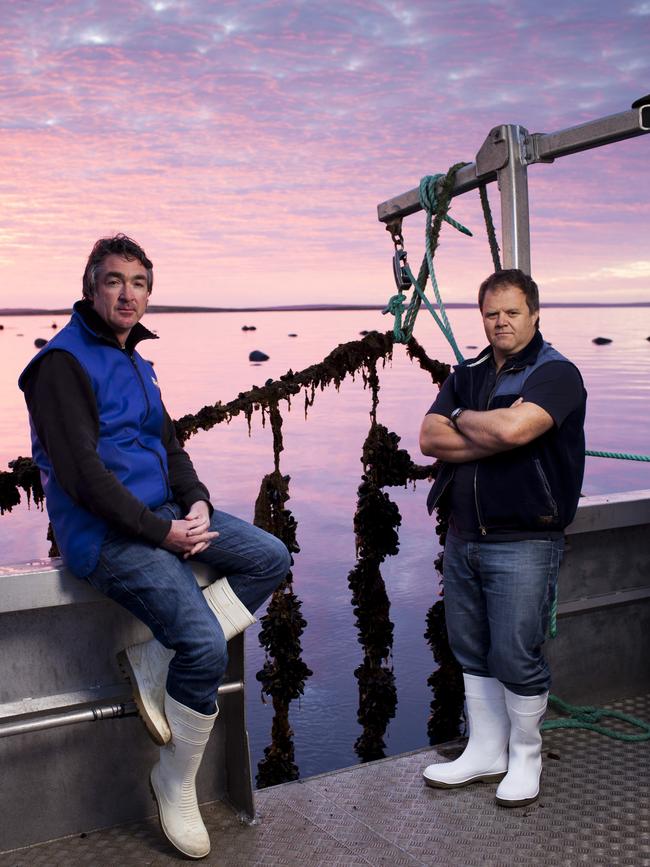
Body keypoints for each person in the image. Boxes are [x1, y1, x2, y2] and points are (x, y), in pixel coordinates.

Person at [19, 234, 291, 858]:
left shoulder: (137, 360)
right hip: (107, 536)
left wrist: (195, 503)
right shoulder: (61, 364)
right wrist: (161, 533)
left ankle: (155, 664)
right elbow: (83, 477)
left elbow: (169, 447)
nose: (128, 293)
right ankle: (174, 780)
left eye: (139, 283)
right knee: (200, 641)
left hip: (166, 515)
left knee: (269, 558)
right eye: (115, 280)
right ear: (91, 287)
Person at [419, 269, 586, 808]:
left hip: (526, 540)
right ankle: (486, 750)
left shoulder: (556, 374)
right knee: (470, 649)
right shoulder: (466, 373)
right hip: (463, 536)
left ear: (534, 314)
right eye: (492, 313)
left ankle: (526, 756)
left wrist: (463, 421)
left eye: (512, 312)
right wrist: (485, 425)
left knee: (516, 653)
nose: (501, 322)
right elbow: (428, 437)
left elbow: (517, 431)